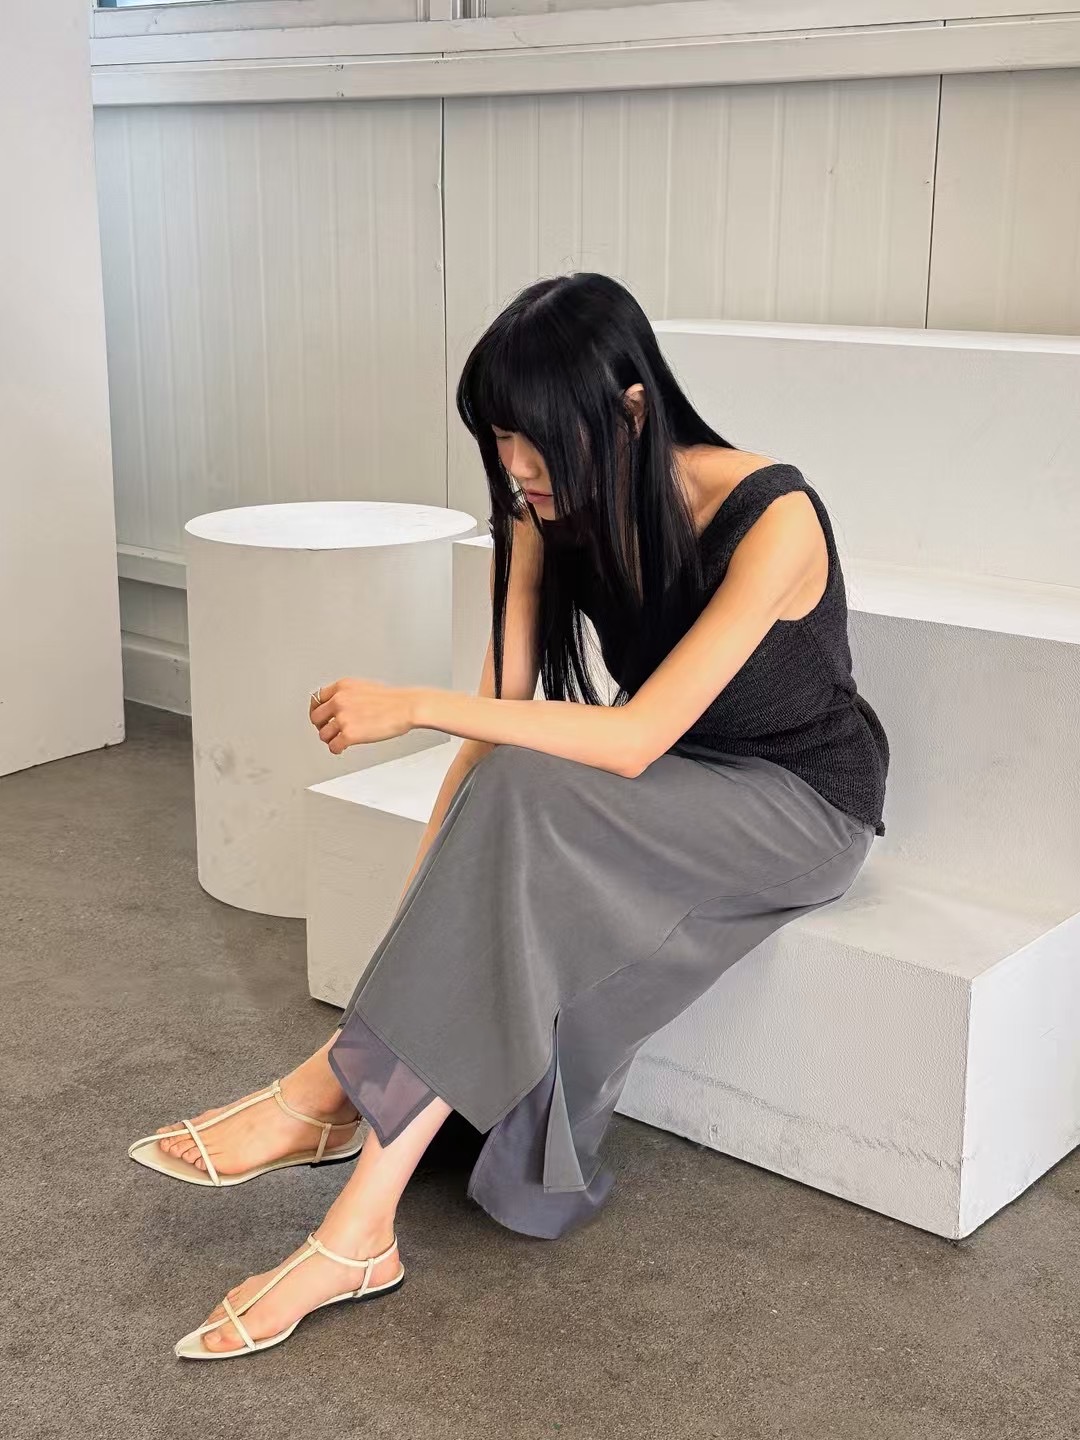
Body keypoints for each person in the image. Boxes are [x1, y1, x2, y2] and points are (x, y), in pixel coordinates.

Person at [128, 272, 889, 1360]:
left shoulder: (775, 518)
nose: (518, 467)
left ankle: (327, 1093)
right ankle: (356, 1230)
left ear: (630, 411)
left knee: (534, 781)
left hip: (798, 805)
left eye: (536, 440)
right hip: (671, 782)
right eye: (500, 438)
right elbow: (493, 738)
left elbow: (630, 736)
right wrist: (425, 907)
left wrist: (411, 704)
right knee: (509, 792)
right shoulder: (552, 508)